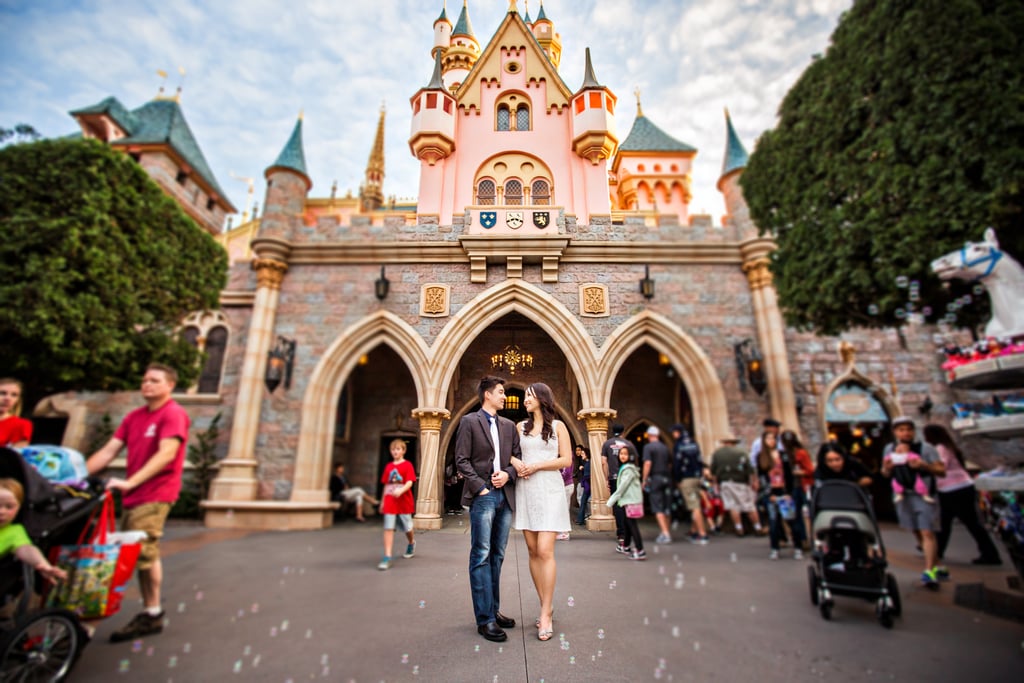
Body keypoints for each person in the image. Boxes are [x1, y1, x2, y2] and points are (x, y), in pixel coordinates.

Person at [86, 363, 190, 642]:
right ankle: (150, 611)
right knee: (139, 552)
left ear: (170, 386)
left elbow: (167, 453)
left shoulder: (173, 414)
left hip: (156, 492)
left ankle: (140, 614)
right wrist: (76, 478)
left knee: (140, 551)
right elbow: (108, 451)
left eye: (155, 380)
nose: (147, 385)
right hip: (133, 494)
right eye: (144, 380)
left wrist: (131, 481)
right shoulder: (133, 417)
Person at [454, 376, 520, 643]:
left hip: (505, 496)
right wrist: (481, 487)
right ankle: (485, 620)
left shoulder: (509, 426)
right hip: (483, 497)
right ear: (487, 395)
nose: (505, 396)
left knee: (498, 555)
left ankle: (493, 610)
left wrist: (508, 475)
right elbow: (461, 459)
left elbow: (517, 459)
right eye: (501, 392)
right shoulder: (469, 422)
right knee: (481, 555)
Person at [510, 382, 571, 642]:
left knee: (546, 550)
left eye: (529, 396)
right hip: (526, 491)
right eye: (524, 396)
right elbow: (508, 454)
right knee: (533, 551)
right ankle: (545, 602)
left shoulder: (558, 427)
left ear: (542, 399)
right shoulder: (519, 428)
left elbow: (566, 460)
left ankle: (545, 613)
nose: (525, 400)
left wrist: (536, 466)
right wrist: (517, 462)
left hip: (549, 489)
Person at [880, 416, 946, 589]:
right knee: (917, 531)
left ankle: (929, 571)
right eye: (901, 430)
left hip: (924, 495)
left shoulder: (926, 448)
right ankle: (937, 565)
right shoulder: (889, 448)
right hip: (903, 495)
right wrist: (888, 467)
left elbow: (941, 471)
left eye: (909, 429)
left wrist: (923, 465)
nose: (906, 433)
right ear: (895, 432)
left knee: (927, 532)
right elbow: (885, 474)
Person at [924, 424, 1002, 569]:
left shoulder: (941, 448)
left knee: (970, 523)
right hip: (954, 488)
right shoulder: (947, 446)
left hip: (955, 489)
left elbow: (941, 466)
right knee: (946, 522)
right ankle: (937, 550)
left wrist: (923, 465)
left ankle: (991, 554)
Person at [0, 478, 66, 583]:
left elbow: (26, 549)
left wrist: (42, 564)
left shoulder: (15, 531)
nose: (2, 511)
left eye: (9, 507)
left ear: (18, 507)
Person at [757, 431, 807, 560]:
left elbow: (790, 475)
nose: (771, 440)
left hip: (784, 491)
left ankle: (798, 547)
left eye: (773, 438)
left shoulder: (784, 455)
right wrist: (769, 494)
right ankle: (775, 548)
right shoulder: (761, 457)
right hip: (771, 493)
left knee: (792, 521)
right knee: (774, 522)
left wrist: (789, 493)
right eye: (768, 438)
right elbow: (762, 477)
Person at [709, 433, 764, 536]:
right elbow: (750, 468)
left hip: (725, 482)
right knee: (749, 506)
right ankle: (757, 527)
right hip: (740, 481)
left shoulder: (717, 454)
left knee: (733, 506)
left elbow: (713, 471)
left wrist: (715, 484)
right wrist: (754, 481)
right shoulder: (741, 452)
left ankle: (739, 528)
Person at [377, 439, 416, 570]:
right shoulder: (389, 467)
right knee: (388, 527)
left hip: (403, 499)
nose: (395, 451)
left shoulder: (407, 465)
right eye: (393, 449)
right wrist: (382, 502)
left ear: (403, 451)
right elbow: (386, 485)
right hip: (390, 499)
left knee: (407, 527)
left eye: (398, 449)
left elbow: (410, 482)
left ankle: (411, 542)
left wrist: (401, 490)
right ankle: (387, 556)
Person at [606, 445, 645, 560]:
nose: (622, 456)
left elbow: (622, 487)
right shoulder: (626, 468)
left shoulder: (628, 469)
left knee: (632, 526)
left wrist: (611, 501)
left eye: (625, 454)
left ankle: (640, 550)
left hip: (630, 501)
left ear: (631, 456)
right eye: (621, 454)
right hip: (628, 501)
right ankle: (626, 546)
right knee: (628, 524)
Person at [671, 424, 708, 545]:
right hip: (697, 476)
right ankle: (694, 530)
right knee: (695, 503)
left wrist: (677, 479)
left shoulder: (679, 445)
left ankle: (702, 534)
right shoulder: (693, 443)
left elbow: (677, 463)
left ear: (678, 432)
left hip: (687, 478)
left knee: (694, 506)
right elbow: (700, 459)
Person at [600, 424, 634, 551]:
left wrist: (606, 478)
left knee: (618, 506)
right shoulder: (628, 444)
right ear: (623, 431)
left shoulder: (607, 444)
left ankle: (621, 534)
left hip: (615, 478)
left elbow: (603, 462)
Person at [779, 430, 814, 545]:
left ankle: (813, 538)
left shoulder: (801, 453)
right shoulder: (784, 455)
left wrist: (800, 472)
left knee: (811, 511)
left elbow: (810, 470)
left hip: (804, 486)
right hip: (793, 487)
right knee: (795, 514)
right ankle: (802, 538)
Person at [641, 426, 674, 544]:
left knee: (657, 506)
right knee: (666, 506)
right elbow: (670, 464)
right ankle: (666, 530)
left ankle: (665, 534)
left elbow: (648, 463)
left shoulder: (648, 447)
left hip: (656, 478)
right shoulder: (665, 447)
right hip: (667, 478)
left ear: (649, 435)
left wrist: (644, 479)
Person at [0, 379, 32, 448]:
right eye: (2, 393)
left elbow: (15, 456)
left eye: (14, 395)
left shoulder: (21, 425)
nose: (8, 398)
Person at [574, 445, 591, 526]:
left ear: (587, 454)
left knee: (584, 501)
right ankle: (580, 519)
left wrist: (583, 469)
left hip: (587, 485)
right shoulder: (586, 463)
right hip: (587, 484)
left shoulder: (588, 463)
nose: (581, 454)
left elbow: (588, 475)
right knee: (583, 501)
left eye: (583, 453)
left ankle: (582, 518)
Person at [557, 460, 573, 541]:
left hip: (566, 486)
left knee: (564, 509)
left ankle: (565, 533)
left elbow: (566, 472)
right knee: (561, 509)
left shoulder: (567, 458)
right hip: (563, 486)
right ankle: (561, 531)